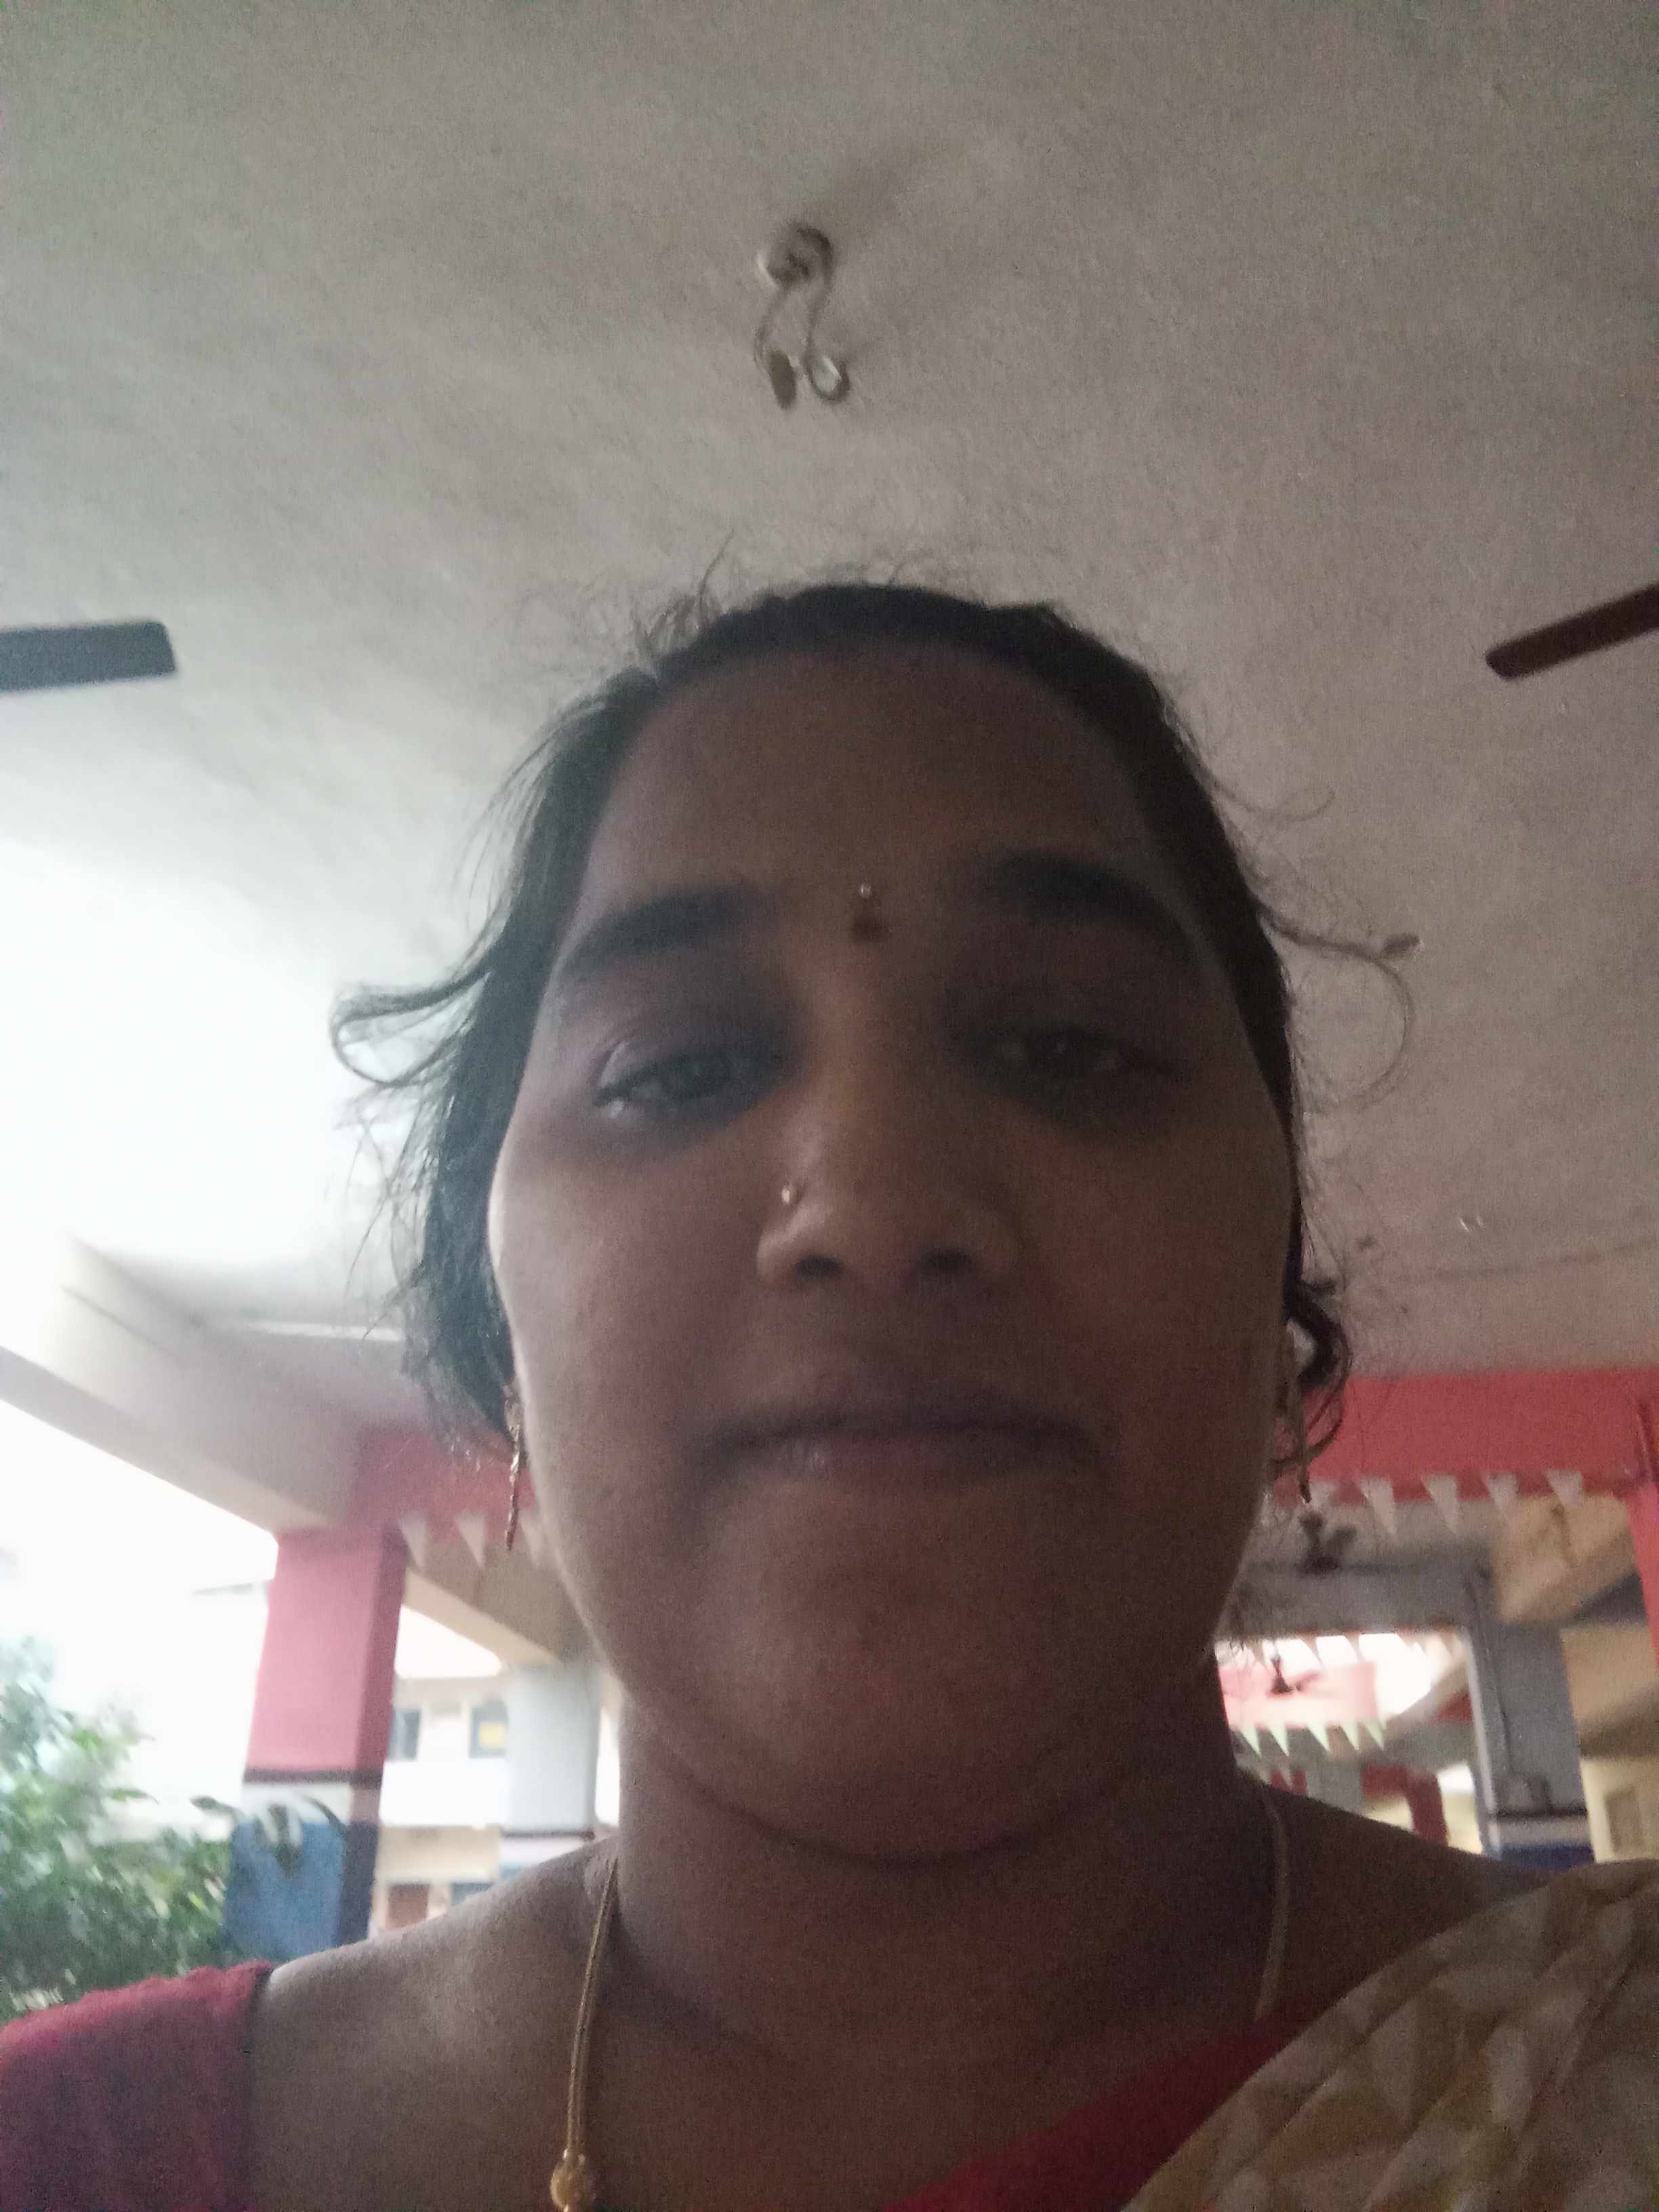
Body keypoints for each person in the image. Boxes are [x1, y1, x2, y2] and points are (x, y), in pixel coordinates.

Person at [2, 582, 1653, 2211]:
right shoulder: (72, 2160)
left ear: (1276, 1309)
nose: (873, 1202)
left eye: (1072, 1045)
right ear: (499, 1340)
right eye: (678, 1066)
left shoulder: (1603, 2068)